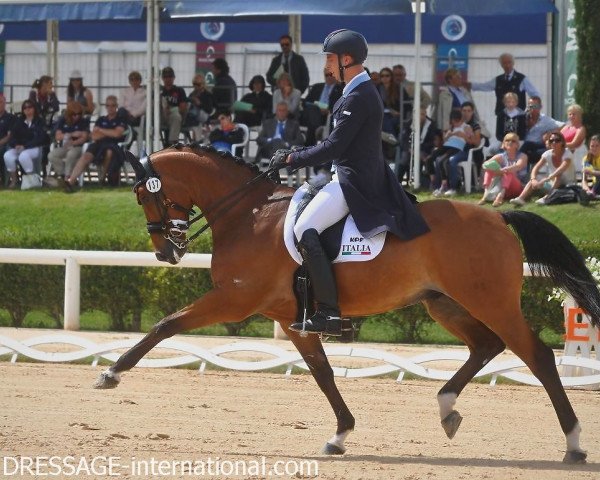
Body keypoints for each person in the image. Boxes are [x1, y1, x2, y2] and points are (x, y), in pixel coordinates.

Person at [279, 29, 429, 335]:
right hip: (348, 174)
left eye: (331, 59)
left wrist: (293, 158)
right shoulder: (352, 91)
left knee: (304, 228)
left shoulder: (359, 95)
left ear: (346, 59)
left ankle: (330, 313)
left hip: (355, 181)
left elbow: (335, 147)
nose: (327, 65)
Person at [466, 53, 540, 135]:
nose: (507, 65)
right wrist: (470, 85)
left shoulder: (521, 78)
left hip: (518, 116)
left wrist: (532, 112)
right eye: (504, 63)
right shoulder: (498, 80)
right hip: (502, 116)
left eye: (509, 62)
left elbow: (535, 95)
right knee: (503, 138)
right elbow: (485, 86)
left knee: (518, 138)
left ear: (513, 63)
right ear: (501, 65)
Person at [65, 95, 126, 190]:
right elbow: (94, 136)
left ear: (116, 106)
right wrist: (110, 132)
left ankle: (101, 179)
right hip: (98, 144)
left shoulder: (120, 119)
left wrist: (101, 131)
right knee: (86, 156)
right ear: (105, 106)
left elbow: (117, 134)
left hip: (113, 145)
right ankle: (70, 181)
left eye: (113, 105)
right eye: (108, 105)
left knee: (109, 152)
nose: (110, 108)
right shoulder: (101, 119)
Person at [509, 132, 575, 206]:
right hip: (553, 184)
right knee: (535, 178)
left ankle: (546, 198)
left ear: (562, 142)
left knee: (558, 176)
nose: (554, 142)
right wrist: (533, 179)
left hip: (568, 186)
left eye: (557, 140)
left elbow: (562, 168)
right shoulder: (547, 154)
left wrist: (547, 179)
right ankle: (521, 198)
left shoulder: (567, 153)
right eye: (551, 140)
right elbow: (536, 168)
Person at [3, 100, 48, 190]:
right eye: (25, 108)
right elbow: (13, 136)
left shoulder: (39, 121)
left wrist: (25, 146)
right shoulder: (19, 121)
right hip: (20, 147)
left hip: (34, 147)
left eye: (30, 107)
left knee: (23, 156)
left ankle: (32, 179)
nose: (27, 109)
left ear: (34, 108)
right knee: (7, 155)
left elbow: (40, 139)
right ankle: (14, 180)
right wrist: (15, 145)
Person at [430, 109, 473, 196]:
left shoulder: (466, 127)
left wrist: (463, 136)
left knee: (445, 160)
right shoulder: (451, 127)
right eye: (453, 122)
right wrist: (447, 135)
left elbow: (472, 142)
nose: (455, 124)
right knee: (437, 159)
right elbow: (445, 141)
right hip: (447, 147)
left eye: (456, 122)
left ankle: (451, 187)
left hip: (457, 149)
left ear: (461, 120)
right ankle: (438, 186)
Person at [47, 101, 90, 186]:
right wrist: (72, 134)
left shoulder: (83, 121)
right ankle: (62, 174)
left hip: (78, 147)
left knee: (71, 153)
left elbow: (84, 137)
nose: (77, 116)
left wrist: (73, 142)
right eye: (74, 114)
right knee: (52, 155)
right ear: (69, 114)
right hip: (65, 146)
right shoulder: (62, 120)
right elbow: (57, 136)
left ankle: (68, 178)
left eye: (79, 114)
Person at [478, 133, 527, 207]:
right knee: (489, 169)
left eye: (513, 141)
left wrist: (502, 170)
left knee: (508, 172)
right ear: (504, 143)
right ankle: (485, 195)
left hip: (518, 187)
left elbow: (518, 166)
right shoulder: (500, 156)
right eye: (507, 140)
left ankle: (500, 197)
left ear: (517, 145)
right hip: (502, 185)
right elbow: (485, 165)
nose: (510, 142)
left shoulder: (522, 156)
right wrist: (495, 170)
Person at [301, 68, 343, 146]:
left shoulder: (340, 89)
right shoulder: (317, 87)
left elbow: (341, 105)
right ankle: (317, 131)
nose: (329, 77)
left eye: (331, 75)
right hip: (314, 112)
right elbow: (306, 101)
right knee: (312, 111)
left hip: (328, 115)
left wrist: (328, 110)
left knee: (313, 122)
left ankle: (311, 142)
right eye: (326, 75)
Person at [519, 96, 563, 169]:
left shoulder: (545, 120)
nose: (532, 109)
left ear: (540, 107)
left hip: (538, 145)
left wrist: (550, 133)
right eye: (530, 106)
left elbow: (563, 126)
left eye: (535, 106)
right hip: (522, 146)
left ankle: (519, 168)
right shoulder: (522, 118)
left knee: (531, 150)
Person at [160, 66, 187, 147]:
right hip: (160, 115)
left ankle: (172, 144)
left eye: (170, 76)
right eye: (165, 76)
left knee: (176, 116)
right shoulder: (159, 90)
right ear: (162, 78)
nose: (168, 78)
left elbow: (183, 108)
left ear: (174, 77)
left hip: (173, 115)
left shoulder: (179, 90)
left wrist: (171, 109)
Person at [186, 73, 215, 141]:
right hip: (194, 118)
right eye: (194, 84)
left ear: (203, 84)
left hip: (204, 115)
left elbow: (209, 110)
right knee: (194, 118)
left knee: (195, 113)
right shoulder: (192, 94)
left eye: (198, 85)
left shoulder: (208, 95)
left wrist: (199, 104)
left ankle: (196, 140)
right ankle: (195, 141)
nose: (196, 87)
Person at [0, 94, 15, 186]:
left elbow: (9, 136)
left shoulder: (10, 118)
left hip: (4, 145)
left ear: (5, 103)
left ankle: (4, 180)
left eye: (0, 102)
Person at [581, 134, 600, 199]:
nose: (594, 148)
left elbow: (592, 172)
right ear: (589, 147)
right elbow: (584, 179)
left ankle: (593, 194)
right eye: (592, 146)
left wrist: (592, 172)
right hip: (596, 186)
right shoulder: (587, 158)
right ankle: (591, 194)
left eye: (597, 146)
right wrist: (587, 189)